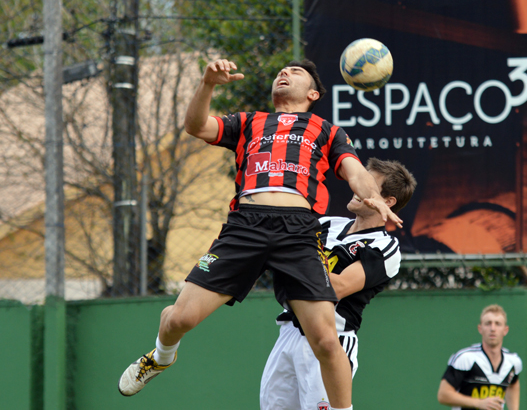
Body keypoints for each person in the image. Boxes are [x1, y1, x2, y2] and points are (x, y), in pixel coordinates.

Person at [118, 58, 402, 410]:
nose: (284, 73)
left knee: (328, 342)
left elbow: (355, 172)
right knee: (179, 318)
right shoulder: (249, 122)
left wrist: (374, 198)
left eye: (295, 72)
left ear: (313, 93)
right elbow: (196, 126)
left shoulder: (326, 130)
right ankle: (161, 356)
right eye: (280, 71)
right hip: (245, 226)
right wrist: (207, 83)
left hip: (298, 232)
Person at [260, 157, 416, 410]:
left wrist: (292, 259)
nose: (357, 186)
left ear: (387, 202)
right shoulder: (325, 224)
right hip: (289, 332)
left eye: (368, 184)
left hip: (332, 339)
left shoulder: (384, 247)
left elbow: (336, 288)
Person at [437, 304, 522, 410]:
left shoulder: (513, 362)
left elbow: (513, 384)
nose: (492, 328)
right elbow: (443, 395)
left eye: (498, 324)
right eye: (488, 324)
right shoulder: (466, 358)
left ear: (505, 330)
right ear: (480, 328)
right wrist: (478, 403)